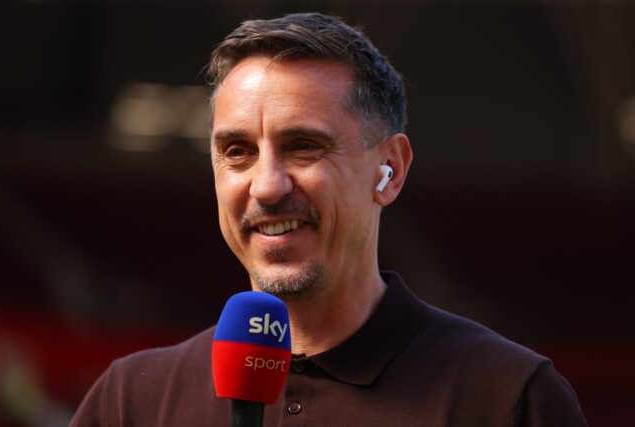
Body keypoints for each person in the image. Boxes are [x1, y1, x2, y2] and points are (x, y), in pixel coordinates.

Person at [71, 13, 587, 426]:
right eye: (237, 152)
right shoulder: (131, 402)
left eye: (303, 146)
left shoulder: (506, 400)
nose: (266, 186)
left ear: (390, 169)